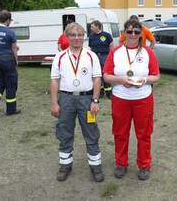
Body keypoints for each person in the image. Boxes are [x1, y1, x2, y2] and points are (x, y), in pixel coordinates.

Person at [103, 19, 160, 181]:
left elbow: (156, 76)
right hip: (121, 98)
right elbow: (106, 75)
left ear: (141, 33)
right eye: (130, 31)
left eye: (136, 31)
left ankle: (144, 165)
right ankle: (121, 163)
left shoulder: (148, 52)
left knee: (144, 134)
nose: (133, 35)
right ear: (124, 33)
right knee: (120, 133)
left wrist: (144, 80)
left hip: (143, 99)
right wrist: (121, 81)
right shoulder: (115, 51)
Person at [50, 22, 104, 182]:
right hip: (66, 99)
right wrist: (54, 102)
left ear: (84, 37)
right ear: (67, 37)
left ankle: (96, 167)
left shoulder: (91, 55)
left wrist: (95, 100)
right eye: (73, 35)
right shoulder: (59, 57)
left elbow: (97, 78)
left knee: (91, 132)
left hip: (87, 99)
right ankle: (65, 165)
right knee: (64, 132)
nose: (77, 38)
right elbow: (54, 80)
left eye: (80, 35)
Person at [0, 10, 20, 117]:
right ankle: (11, 110)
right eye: (10, 20)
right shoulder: (10, 32)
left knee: (0, 84)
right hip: (8, 60)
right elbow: (14, 48)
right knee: (11, 84)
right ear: (7, 20)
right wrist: (16, 61)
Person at [89, 20, 113, 98]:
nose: (91, 28)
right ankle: (100, 92)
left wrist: (110, 57)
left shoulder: (107, 35)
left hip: (104, 56)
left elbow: (111, 47)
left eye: (92, 26)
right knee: (97, 74)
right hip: (95, 57)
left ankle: (109, 92)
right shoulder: (91, 36)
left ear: (97, 26)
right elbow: (91, 48)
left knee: (105, 74)